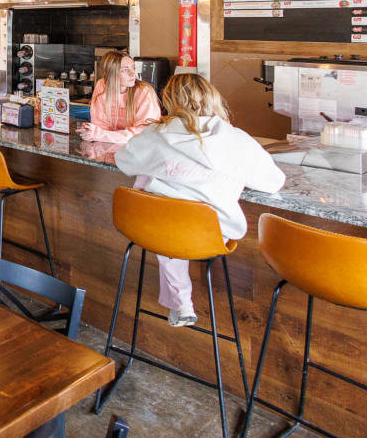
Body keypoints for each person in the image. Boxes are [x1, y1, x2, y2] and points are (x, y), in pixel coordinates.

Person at [114, 74, 285, 327]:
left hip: (152, 227)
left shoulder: (155, 134)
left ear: (168, 100)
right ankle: (180, 303)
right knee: (177, 219)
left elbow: (124, 161)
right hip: (210, 233)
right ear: (213, 97)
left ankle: (181, 302)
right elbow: (273, 182)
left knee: (164, 209)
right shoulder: (236, 140)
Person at [77, 51, 160, 143]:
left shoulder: (144, 91)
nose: (133, 74)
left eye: (133, 68)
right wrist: (91, 131)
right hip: (111, 144)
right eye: (125, 70)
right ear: (110, 73)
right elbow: (100, 125)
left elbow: (142, 134)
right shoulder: (102, 85)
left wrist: (99, 134)